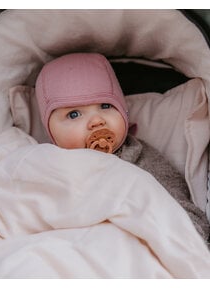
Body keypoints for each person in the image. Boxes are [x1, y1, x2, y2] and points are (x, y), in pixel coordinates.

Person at [35, 52, 210, 244]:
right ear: (50, 130)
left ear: (123, 112)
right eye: (74, 114)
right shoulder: (42, 163)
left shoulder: (140, 157)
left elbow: (182, 211)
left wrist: (189, 241)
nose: (96, 121)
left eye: (105, 105)